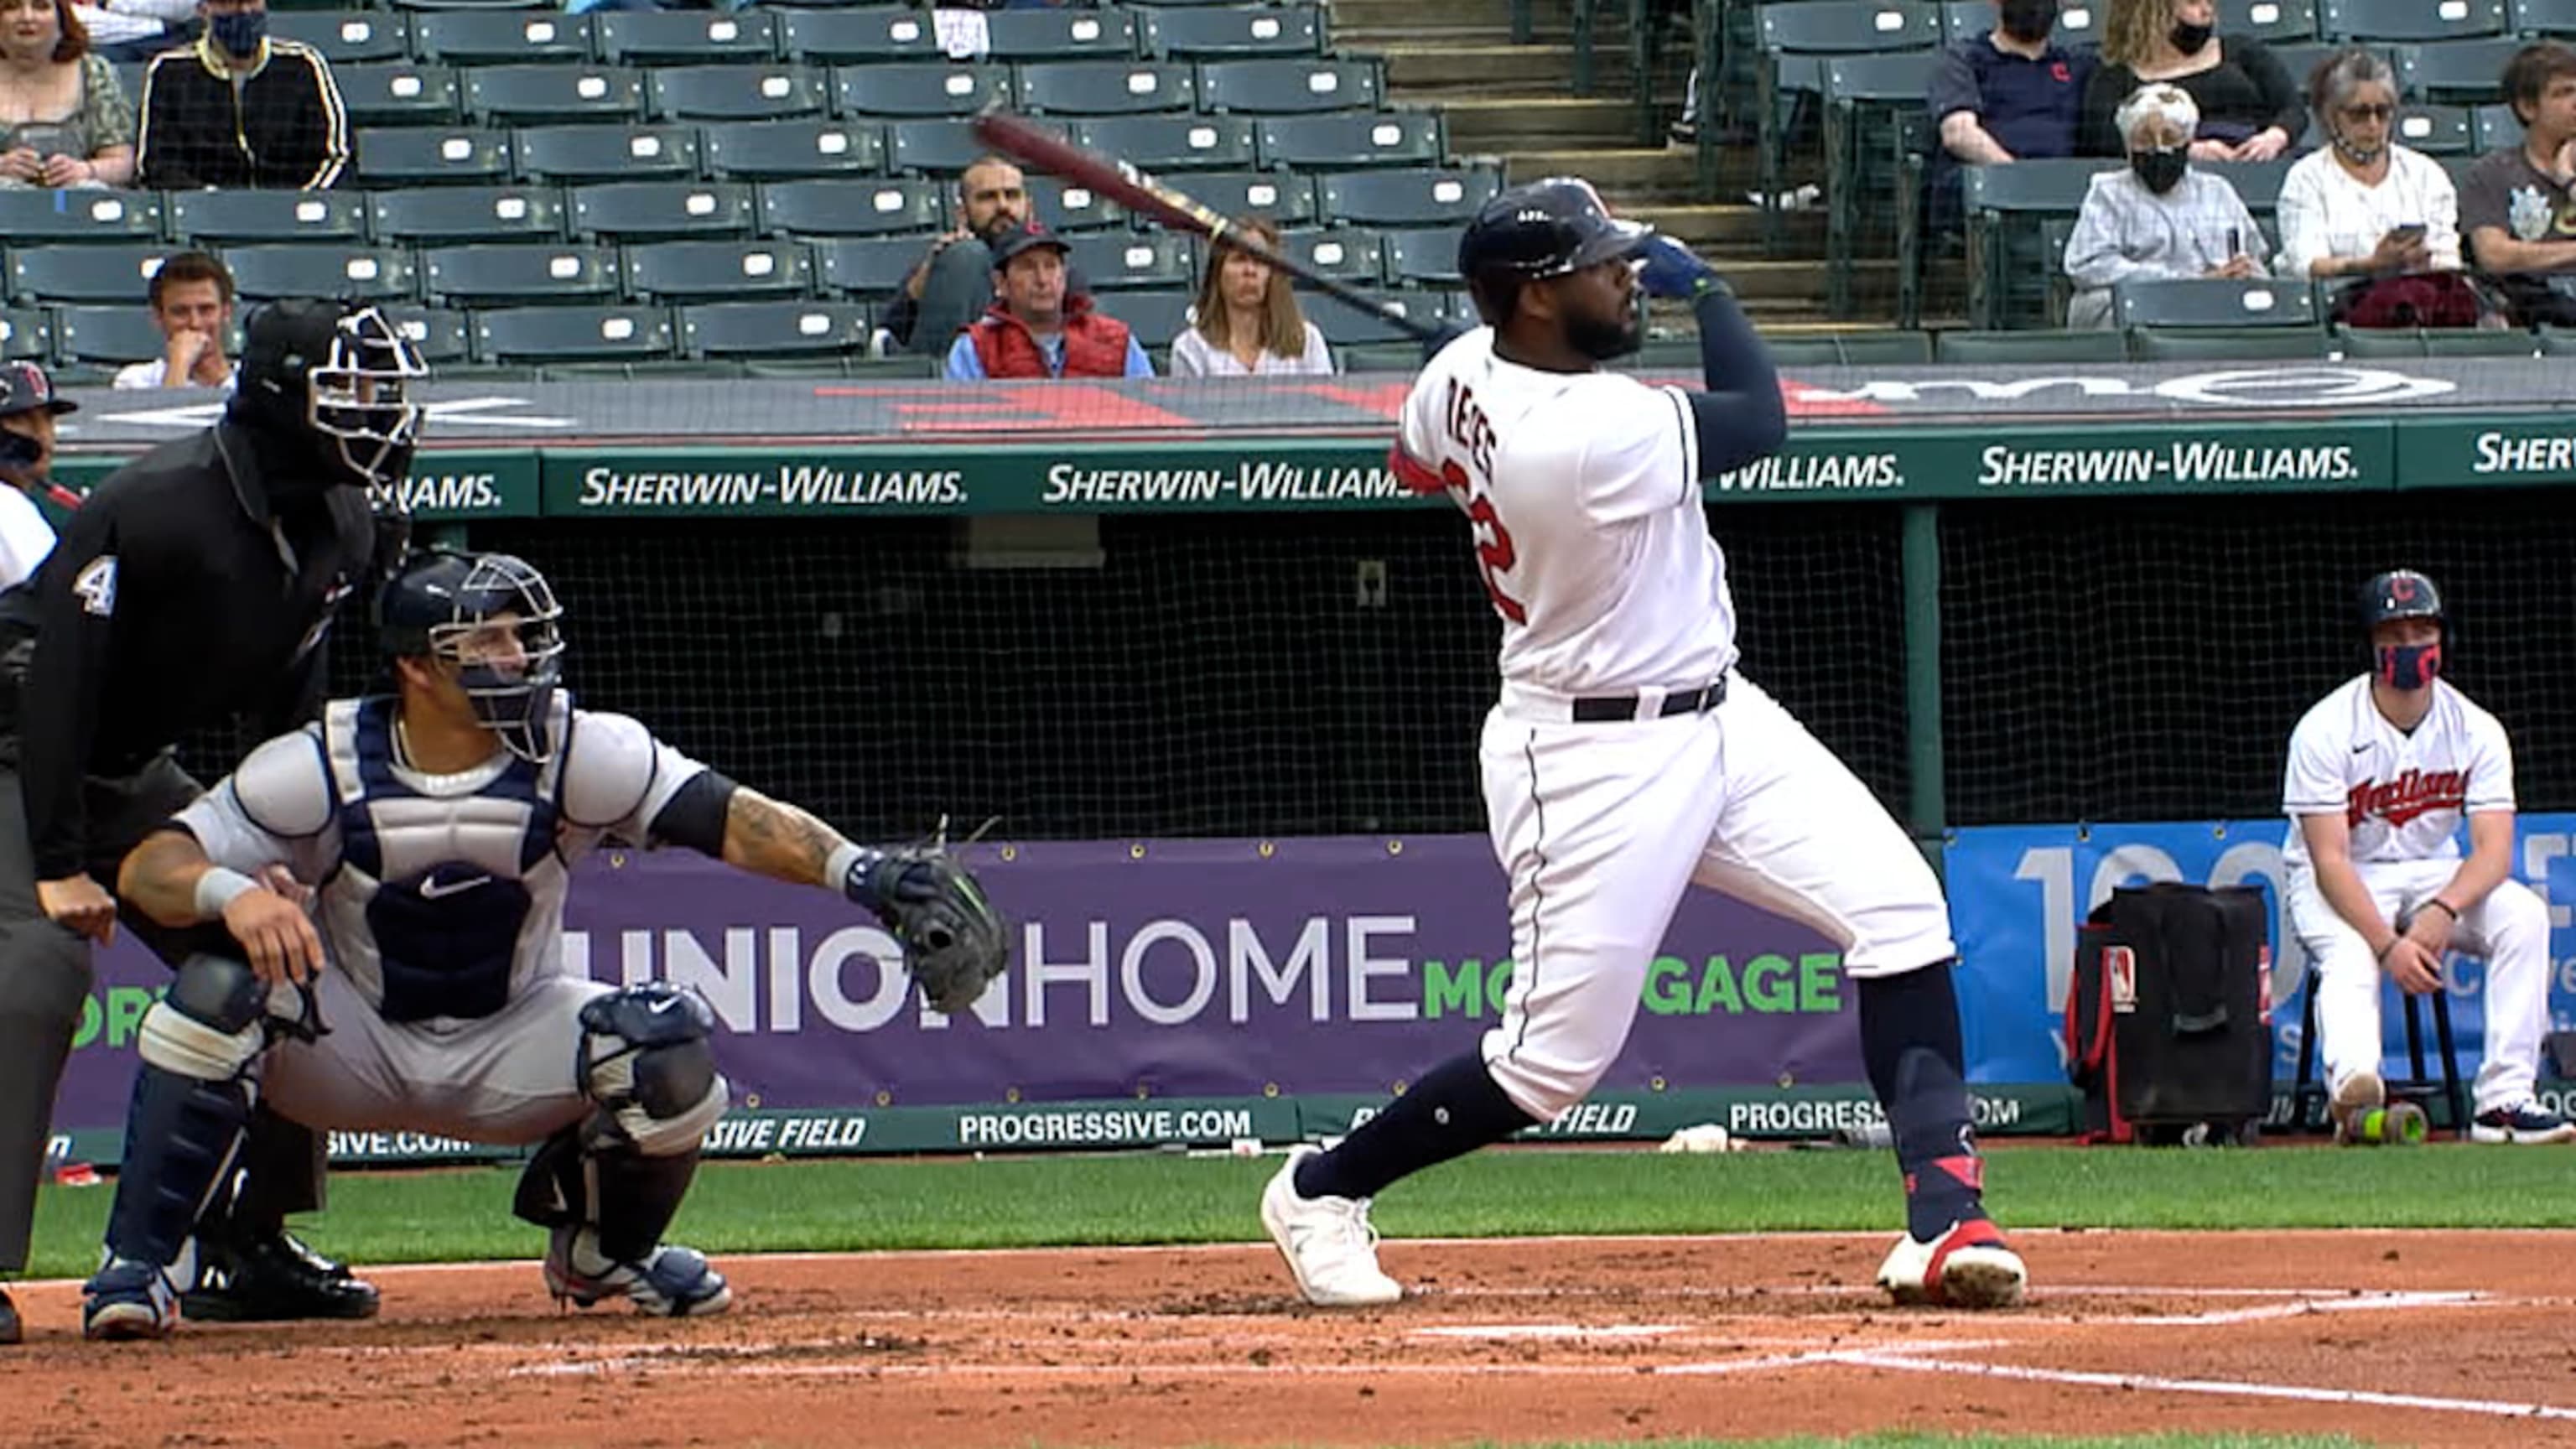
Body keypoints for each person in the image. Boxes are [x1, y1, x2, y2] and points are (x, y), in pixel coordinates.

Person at [1257, 178, 2026, 1312]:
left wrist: (1485, 390)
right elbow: (1760, 418)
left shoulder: (1458, 378)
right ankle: (1323, 1189)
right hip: (1587, 758)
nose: (1629, 274)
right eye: (1600, 263)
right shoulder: (1582, 435)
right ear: (1529, 299)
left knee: (1902, 912)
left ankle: (1945, 1220)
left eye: (1625, 257)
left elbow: (1413, 464)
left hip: (1718, 712)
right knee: (1550, 1066)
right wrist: (1710, 288)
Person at [80, 547, 1010, 1337]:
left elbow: (732, 819)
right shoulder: (322, 761)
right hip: (350, 1042)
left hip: (511, 1039)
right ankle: (139, 1268)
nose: (519, 657)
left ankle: (603, 1255)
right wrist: (230, 892)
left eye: (522, 636)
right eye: (488, 640)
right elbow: (151, 866)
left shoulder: (576, 748)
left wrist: (866, 875)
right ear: (418, 667)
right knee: (211, 988)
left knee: (668, 1047)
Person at [0, 300, 418, 1344]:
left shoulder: (347, 520)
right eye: (350, 393)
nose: (377, 415)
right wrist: (56, 867)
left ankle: (251, 1238)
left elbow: (293, 705)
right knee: (37, 969)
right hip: (13, 744)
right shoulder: (156, 503)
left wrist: (269, 857)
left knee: (289, 945)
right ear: (281, 393)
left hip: (128, 766)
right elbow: (57, 687)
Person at [2280, 571, 2574, 1149]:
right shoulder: (2325, 728)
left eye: (2423, 629)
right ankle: (2357, 1097)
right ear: (2370, 644)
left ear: (2443, 639)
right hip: (2336, 878)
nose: (2410, 644)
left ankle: (2504, 1103)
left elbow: (2493, 852)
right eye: (2394, 632)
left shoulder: (2475, 728)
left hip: (2430, 872)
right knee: (2351, 953)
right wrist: (2390, 945)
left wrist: (2442, 911)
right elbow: (2329, 859)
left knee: (2524, 916)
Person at [2063, 84, 2267, 328]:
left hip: (2216, 306)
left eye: (2170, 138)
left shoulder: (2217, 191)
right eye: (2144, 140)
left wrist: (2242, 271)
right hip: (2143, 307)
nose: (2158, 149)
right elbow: (2088, 265)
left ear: (2188, 141)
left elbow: (2255, 256)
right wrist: (2188, 282)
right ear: (2128, 146)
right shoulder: (2109, 192)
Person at [2275, 49, 2461, 282]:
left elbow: (2447, 259)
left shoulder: (2426, 174)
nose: (2373, 125)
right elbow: (2307, 265)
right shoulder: (2307, 178)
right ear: (2331, 117)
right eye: (2359, 114)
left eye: (2382, 112)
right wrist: (2372, 266)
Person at [134, 0, 347, 190]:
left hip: (297, 214)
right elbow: (157, 165)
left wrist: (302, 203)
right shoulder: (170, 71)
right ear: (204, 10)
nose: (244, 11)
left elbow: (337, 155)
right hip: (205, 217)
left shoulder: (302, 64)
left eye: (251, 2)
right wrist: (210, 206)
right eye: (229, 3)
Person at [1927, 0, 2092, 235]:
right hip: (1991, 196)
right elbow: (1959, 134)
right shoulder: (1962, 59)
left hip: (2062, 196)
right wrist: (2018, 181)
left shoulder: (2077, 65)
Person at [2078, 0, 2299, 161]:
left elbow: (2292, 109)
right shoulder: (2116, 77)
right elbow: (2102, 140)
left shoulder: (2242, 51)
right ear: (2155, 11)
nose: (2206, 11)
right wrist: (2185, 150)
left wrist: (2274, 138)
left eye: (2210, 3)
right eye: (2193, 3)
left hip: (2251, 160)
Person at [945, 221, 1152, 381]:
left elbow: (1152, 417)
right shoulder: (973, 348)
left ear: (1064, 275)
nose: (1042, 280)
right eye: (1027, 267)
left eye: (1051, 266)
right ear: (1001, 282)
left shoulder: (1117, 341)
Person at [2459, 43, 2576, 329]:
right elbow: (2494, 255)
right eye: (2563, 93)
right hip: (2533, 308)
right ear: (2527, 107)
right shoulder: (2491, 173)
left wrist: (2571, 183)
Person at [886, 154, 1037, 357]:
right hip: (953, 381)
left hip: (1031, 379)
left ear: (1029, 209)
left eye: (1012, 195)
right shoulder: (945, 266)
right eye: (987, 197)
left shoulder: (1055, 268)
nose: (1003, 206)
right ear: (962, 214)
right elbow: (885, 338)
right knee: (966, 257)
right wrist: (918, 289)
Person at [1168, 216, 1334, 378]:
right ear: (1217, 273)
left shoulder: (1308, 342)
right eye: (1239, 260)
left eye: (1260, 260)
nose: (1250, 270)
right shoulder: (1190, 349)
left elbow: (1326, 405)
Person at [0, 0, 134, 190]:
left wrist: (86, 170)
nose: (27, 18)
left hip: (77, 204)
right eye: (12, 7)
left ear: (62, 20)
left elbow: (123, 162)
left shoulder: (94, 72)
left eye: (41, 7)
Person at [114, 252, 240, 392]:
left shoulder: (252, 381)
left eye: (206, 309)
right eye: (180, 312)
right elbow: (166, 413)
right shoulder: (135, 381)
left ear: (226, 312)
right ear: (159, 317)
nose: (195, 323)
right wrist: (179, 365)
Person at [0, 361, 72, 596]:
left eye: (47, 419)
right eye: (22, 420)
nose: (43, 435)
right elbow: (53, 603)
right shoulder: (8, 509)